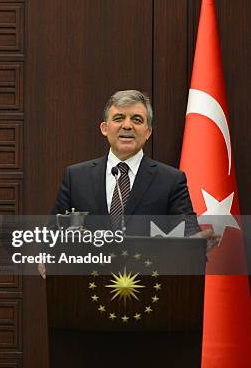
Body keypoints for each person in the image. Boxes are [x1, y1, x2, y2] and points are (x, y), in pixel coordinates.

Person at [40, 90, 215, 277]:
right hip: (88, 285)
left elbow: (188, 232)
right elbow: (54, 231)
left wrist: (196, 243)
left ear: (148, 132)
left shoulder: (171, 180)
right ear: (104, 128)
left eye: (137, 120)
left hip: (149, 286)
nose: (127, 126)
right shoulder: (76, 176)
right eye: (119, 118)